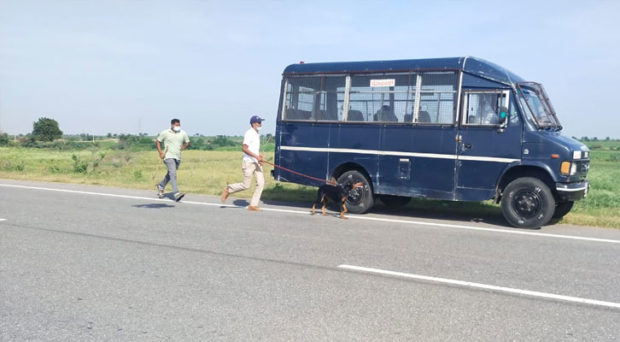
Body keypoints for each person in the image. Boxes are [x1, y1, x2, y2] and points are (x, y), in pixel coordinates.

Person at [221, 115, 265, 211]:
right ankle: (229, 189)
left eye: (261, 122)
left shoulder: (257, 133)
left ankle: (253, 205)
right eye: (259, 122)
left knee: (261, 183)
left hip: (256, 162)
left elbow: (254, 149)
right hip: (248, 162)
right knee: (246, 185)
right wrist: (256, 156)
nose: (261, 124)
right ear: (253, 124)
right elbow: (244, 148)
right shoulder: (249, 133)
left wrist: (259, 156)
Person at [156, 118, 190, 202]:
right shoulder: (165, 132)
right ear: (172, 125)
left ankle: (161, 186)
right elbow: (158, 141)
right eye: (176, 125)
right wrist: (160, 152)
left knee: (170, 173)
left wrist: (184, 147)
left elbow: (188, 142)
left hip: (177, 157)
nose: (178, 127)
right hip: (168, 156)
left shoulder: (183, 133)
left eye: (179, 125)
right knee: (173, 174)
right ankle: (176, 193)